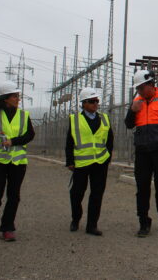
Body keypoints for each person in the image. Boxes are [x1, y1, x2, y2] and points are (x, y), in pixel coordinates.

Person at [125, 70, 158, 237]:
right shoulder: (137, 101)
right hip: (142, 152)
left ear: (150, 85)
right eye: (138, 89)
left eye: (141, 88)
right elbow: (128, 124)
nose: (139, 91)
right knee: (142, 187)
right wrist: (132, 111)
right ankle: (143, 221)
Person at [0, 81, 35, 241]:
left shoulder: (24, 115)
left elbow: (30, 135)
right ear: (5, 98)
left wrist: (14, 141)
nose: (18, 98)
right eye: (14, 96)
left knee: (14, 196)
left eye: (18, 95)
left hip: (18, 162)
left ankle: (7, 228)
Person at [65, 87, 113, 236]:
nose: (95, 104)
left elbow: (110, 140)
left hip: (100, 163)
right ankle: (76, 218)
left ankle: (92, 225)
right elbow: (69, 142)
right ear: (83, 103)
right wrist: (70, 161)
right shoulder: (75, 120)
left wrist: (108, 158)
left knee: (97, 194)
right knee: (76, 193)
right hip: (81, 163)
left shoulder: (104, 118)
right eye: (92, 101)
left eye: (96, 101)